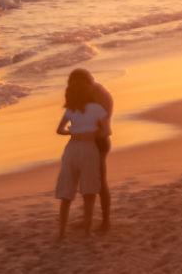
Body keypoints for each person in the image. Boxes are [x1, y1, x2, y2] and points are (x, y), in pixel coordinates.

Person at [54, 70, 109, 239]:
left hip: (71, 149)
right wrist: (92, 133)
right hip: (89, 149)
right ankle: (87, 231)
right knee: (89, 192)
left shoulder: (70, 109)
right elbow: (106, 131)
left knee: (66, 194)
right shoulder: (98, 109)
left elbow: (59, 130)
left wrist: (73, 133)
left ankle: (61, 233)